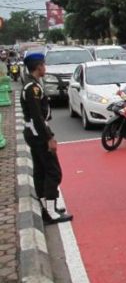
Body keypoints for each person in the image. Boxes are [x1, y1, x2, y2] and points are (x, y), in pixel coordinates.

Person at [21, 52, 73, 223]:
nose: (45, 67)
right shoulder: (33, 88)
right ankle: (51, 212)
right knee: (53, 172)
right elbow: (37, 117)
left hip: (33, 132)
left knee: (41, 171)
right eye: (43, 64)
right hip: (38, 134)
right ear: (38, 67)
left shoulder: (32, 84)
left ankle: (48, 207)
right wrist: (49, 138)